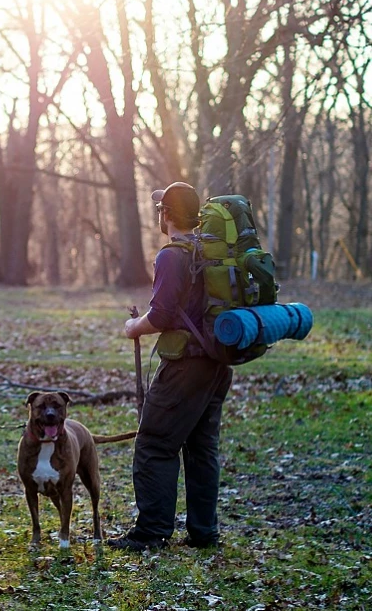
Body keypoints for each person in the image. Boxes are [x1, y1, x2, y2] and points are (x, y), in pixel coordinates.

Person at [108, 182, 233, 551]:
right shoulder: (209, 251)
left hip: (186, 366)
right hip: (218, 363)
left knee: (154, 443)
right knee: (201, 448)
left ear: (167, 214)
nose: (158, 214)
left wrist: (134, 327)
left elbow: (161, 315)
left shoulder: (171, 256)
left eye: (160, 208)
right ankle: (203, 532)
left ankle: (151, 532)